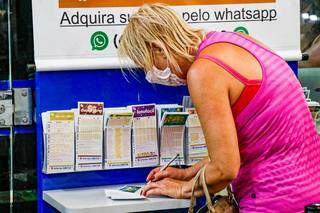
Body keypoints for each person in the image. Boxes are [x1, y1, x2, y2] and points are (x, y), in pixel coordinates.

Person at [118, 3, 320, 212]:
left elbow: (225, 169)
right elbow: (239, 146)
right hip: (309, 189)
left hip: (275, 197)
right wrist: (186, 174)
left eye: (147, 64)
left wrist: (182, 189)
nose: (150, 73)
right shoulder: (235, 43)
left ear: (158, 48)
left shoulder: (204, 71)